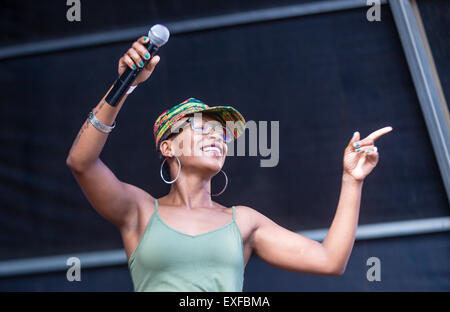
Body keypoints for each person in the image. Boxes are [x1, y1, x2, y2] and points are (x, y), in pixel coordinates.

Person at [66, 35, 393, 292]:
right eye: (201, 127)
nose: (217, 137)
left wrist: (352, 180)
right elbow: (81, 162)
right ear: (168, 146)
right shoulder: (138, 210)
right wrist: (124, 86)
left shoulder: (244, 222)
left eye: (221, 133)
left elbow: (329, 260)